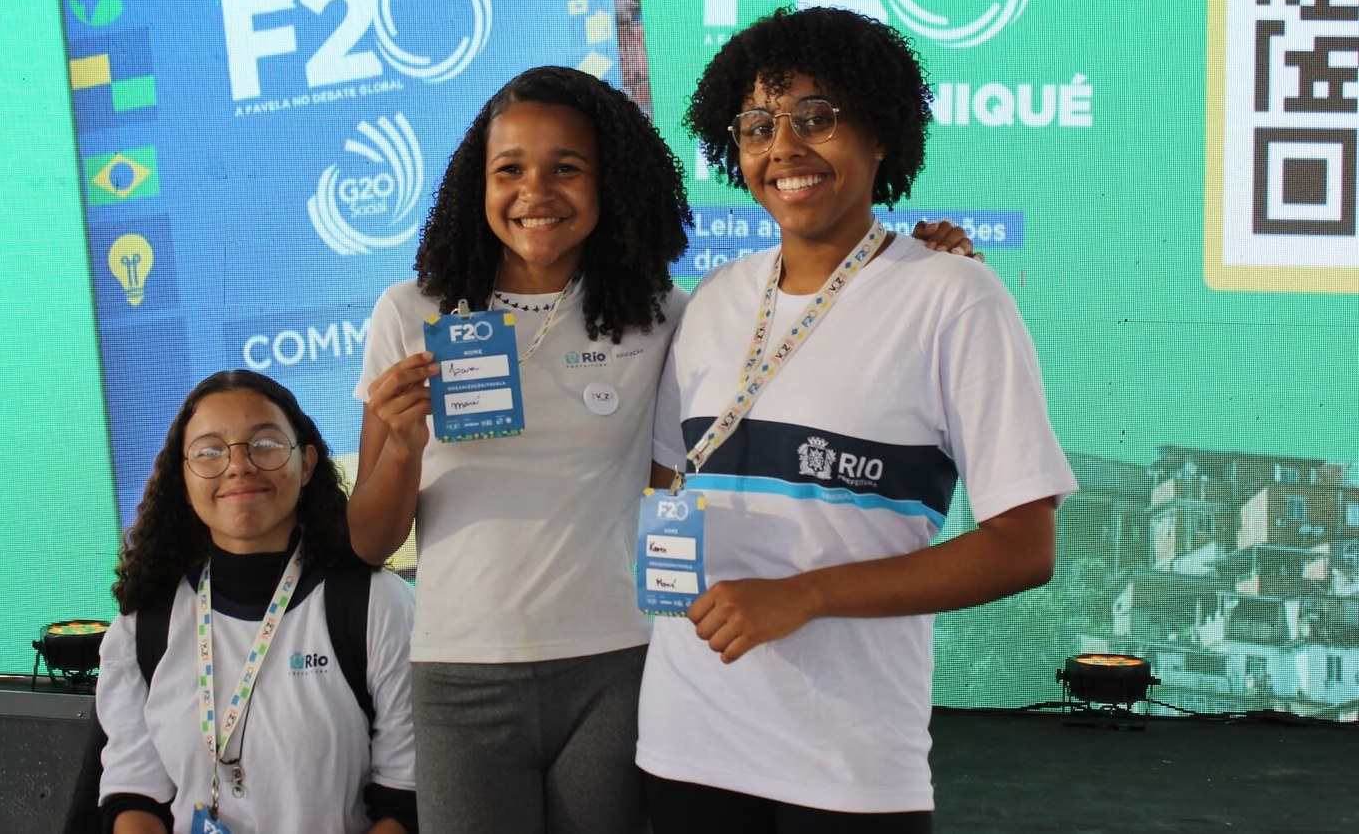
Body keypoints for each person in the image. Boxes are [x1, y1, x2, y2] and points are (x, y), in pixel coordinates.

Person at [351, 65, 979, 834]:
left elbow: (795, 338)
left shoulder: (665, 314)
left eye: (567, 168)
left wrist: (916, 264)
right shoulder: (409, 313)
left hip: (618, 663)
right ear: (473, 184)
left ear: (611, 181)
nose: (535, 191)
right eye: (508, 169)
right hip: (458, 670)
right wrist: (404, 447)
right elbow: (371, 539)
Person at [636, 6, 1079, 833]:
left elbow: (1026, 546)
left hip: (848, 763)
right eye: (759, 125)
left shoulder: (954, 298)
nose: (785, 148)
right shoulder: (713, 302)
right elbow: (665, 490)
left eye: (818, 117)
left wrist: (803, 595)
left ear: (883, 135)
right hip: (683, 740)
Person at [97, 369, 418, 834]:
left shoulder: (375, 606)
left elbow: (404, 804)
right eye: (209, 451)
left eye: (264, 444)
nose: (238, 465)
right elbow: (133, 798)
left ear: (306, 465)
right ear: (183, 478)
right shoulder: (145, 625)